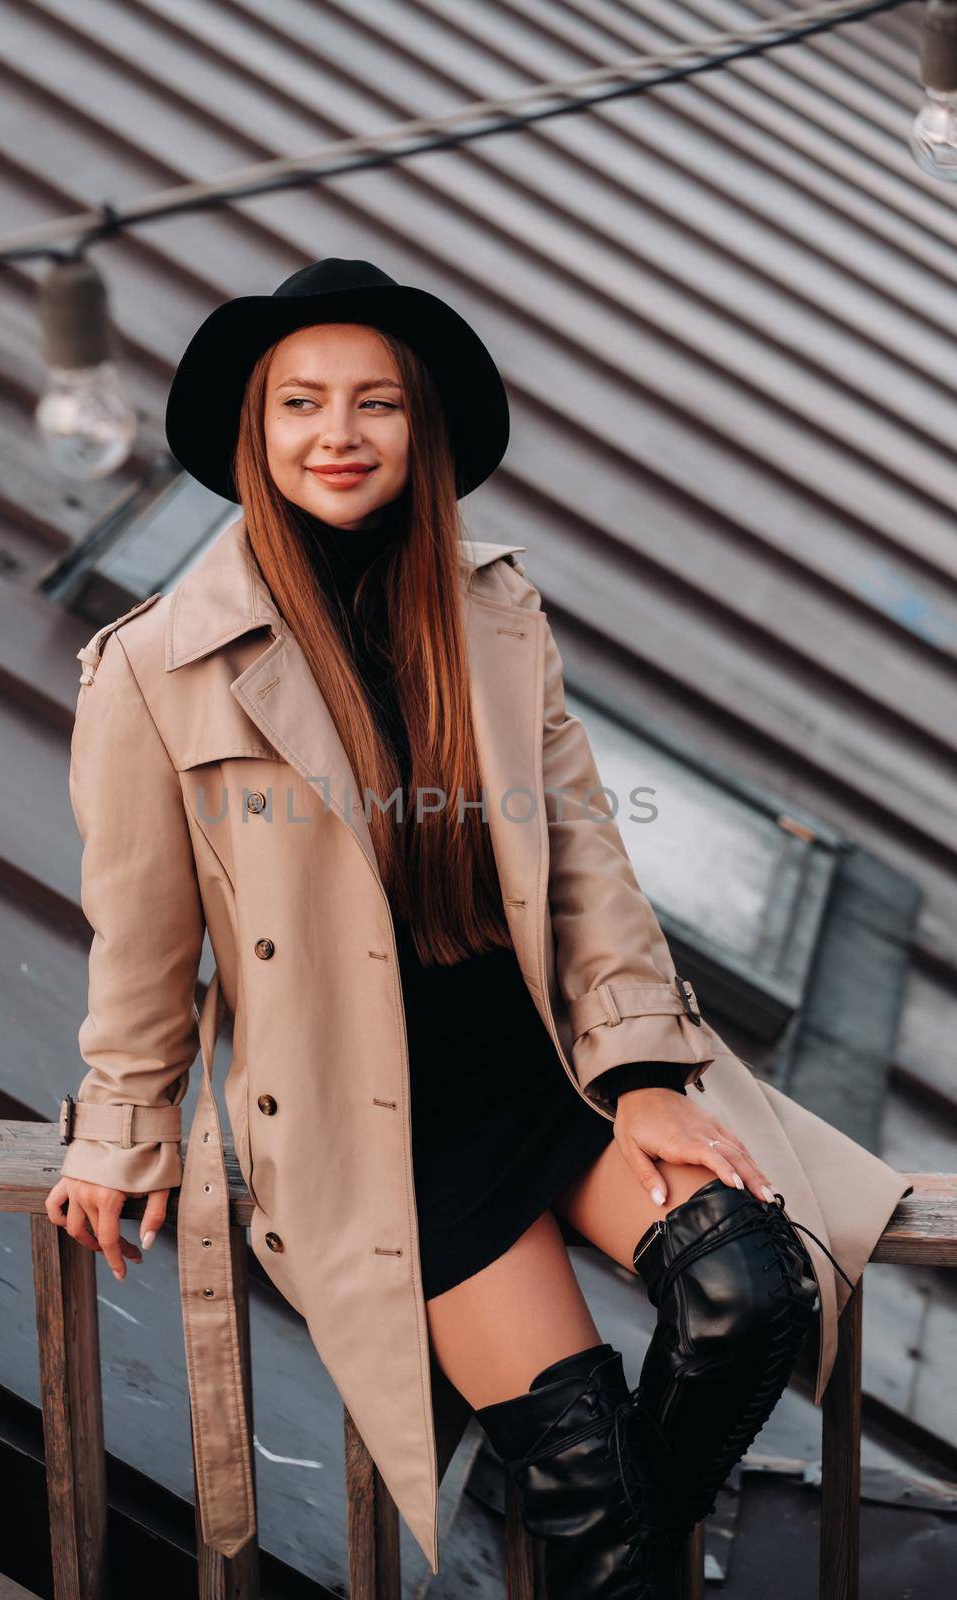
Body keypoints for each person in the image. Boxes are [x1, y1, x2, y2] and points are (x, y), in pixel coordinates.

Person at [45, 259, 906, 1596]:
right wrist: (120, 1132)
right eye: (301, 405)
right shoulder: (154, 671)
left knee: (749, 1292)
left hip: (548, 1064)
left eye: (376, 403)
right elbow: (141, 939)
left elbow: (584, 865)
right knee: (580, 1485)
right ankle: (605, 1546)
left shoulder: (490, 610)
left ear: (420, 427)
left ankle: (611, 1544)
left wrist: (643, 1074)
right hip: (392, 1124)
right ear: (253, 433)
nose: (338, 436)